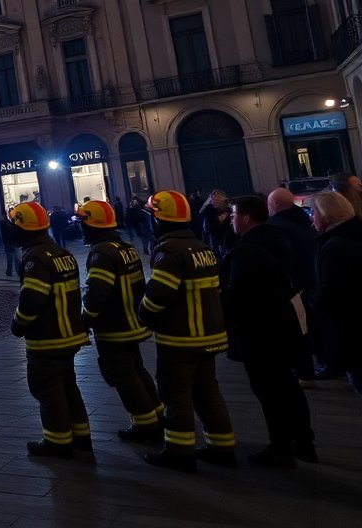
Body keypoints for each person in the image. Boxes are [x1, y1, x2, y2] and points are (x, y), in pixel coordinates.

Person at [139, 190, 236, 472]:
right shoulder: (202, 247)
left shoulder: (169, 249)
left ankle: (179, 451)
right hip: (209, 334)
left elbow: (159, 293)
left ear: (159, 219)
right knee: (207, 391)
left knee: (175, 393)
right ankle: (222, 446)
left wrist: (143, 314)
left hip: (181, 337)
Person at [221, 194, 316, 467]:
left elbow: (236, 295)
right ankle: (305, 441)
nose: (231, 220)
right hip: (286, 323)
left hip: (260, 331)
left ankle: (280, 447)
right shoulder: (280, 240)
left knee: (269, 391)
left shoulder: (246, 251)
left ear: (247, 218)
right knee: (288, 386)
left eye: (235, 214)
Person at [8, 201, 91, 459]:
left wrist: (18, 324)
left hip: (47, 337)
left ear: (24, 228)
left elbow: (33, 298)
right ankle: (81, 437)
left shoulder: (34, 257)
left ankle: (57, 442)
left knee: (48, 388)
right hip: (70, 334)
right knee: (68, 385)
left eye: (15, 225)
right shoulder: (62, 253)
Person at [76, 200, 164, 442]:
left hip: (114, 327)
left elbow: (98, 292)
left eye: (84, 224)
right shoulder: (125, 247)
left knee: (122, 375)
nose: (81, 229)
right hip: (132, 321)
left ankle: (145, 425)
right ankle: (157, 414)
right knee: (136, 369)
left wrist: (86, 319)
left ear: (92, 226)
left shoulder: (101, 252)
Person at [311, 191, 362, 394]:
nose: (312, 217)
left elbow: (330, 289)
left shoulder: (334, 245)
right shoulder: (352, 234)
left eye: (314, 212)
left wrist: (314, 298)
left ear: (325, 214)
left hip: (349, 328)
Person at [266, 187, 318, 383]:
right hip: (309, 280)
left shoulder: (276, 226)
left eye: (270, 204)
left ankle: (303, 370)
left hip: (291, 285)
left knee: (296, 330)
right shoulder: (303, 220)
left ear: (276, 205)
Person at [199, 189, 231, 258]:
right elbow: (209, 229)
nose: (215, 200)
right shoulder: (208, 210)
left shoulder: (229, 209)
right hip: (215, 240)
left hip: (228, 239)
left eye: (218, 198)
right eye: (213, 198)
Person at [0, 210, 20, 278]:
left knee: (11, 258)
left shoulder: (5, 222)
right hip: (12, 242)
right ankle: (14, 271)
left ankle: (11, 271)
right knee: (14, 258)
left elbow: (4, 234)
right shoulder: (9, 222)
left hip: (10, 242)